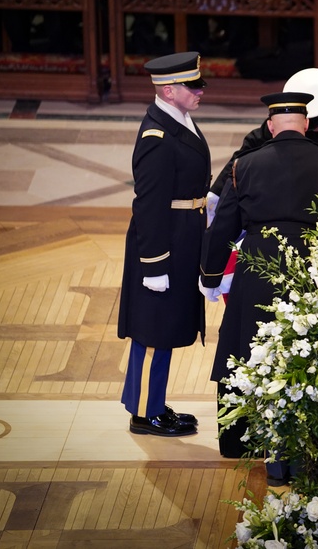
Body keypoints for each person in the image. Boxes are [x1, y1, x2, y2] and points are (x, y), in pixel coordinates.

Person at [199, 91, 318, 470]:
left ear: (270, 126)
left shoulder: (245, 164)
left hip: (257, 267)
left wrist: (210, 274)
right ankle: (304, 447)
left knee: (245, 350)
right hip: (311, 267)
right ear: (306, 125)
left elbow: (222, 228)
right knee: (307, 352)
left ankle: (242, 442)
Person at [117, 51, 211, 438]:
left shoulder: (179, 119)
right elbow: (149, 206)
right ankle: (144, 413)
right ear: (169, 91)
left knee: (166, 327)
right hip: (162, 245)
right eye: (193, 86)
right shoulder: (157, 136)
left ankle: (155, 404)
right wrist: (154, 265)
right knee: (153, 331)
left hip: (181, 238)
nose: (200, 91)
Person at [207, 67, 318, 217]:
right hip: (295, 207)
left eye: (315, 123)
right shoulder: (287, 121)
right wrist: (214, 197)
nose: (307, 127)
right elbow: (244, 156)